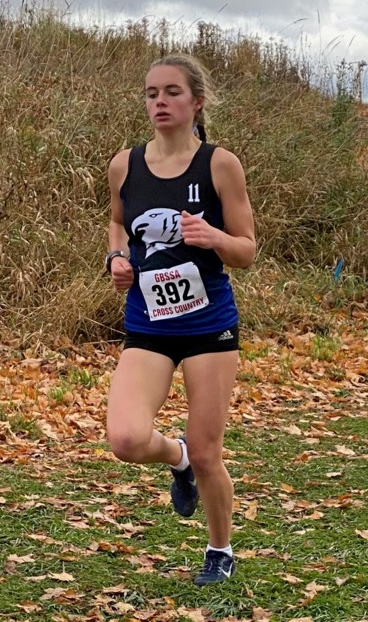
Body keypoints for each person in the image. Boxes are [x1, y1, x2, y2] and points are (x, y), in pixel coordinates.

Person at [105, 53, 257, 585]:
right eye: (151, 94)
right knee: (125, 439)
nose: (160, 102)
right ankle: (177, 458)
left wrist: (213, 238)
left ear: (196, 101)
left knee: (211, 450)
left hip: (207, 327)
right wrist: (116, 260)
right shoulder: (125, 164)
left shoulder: (220, 165)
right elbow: (118, 224)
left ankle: (221, 550)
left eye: (171, 92)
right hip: (147, 324)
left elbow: (246, 249)